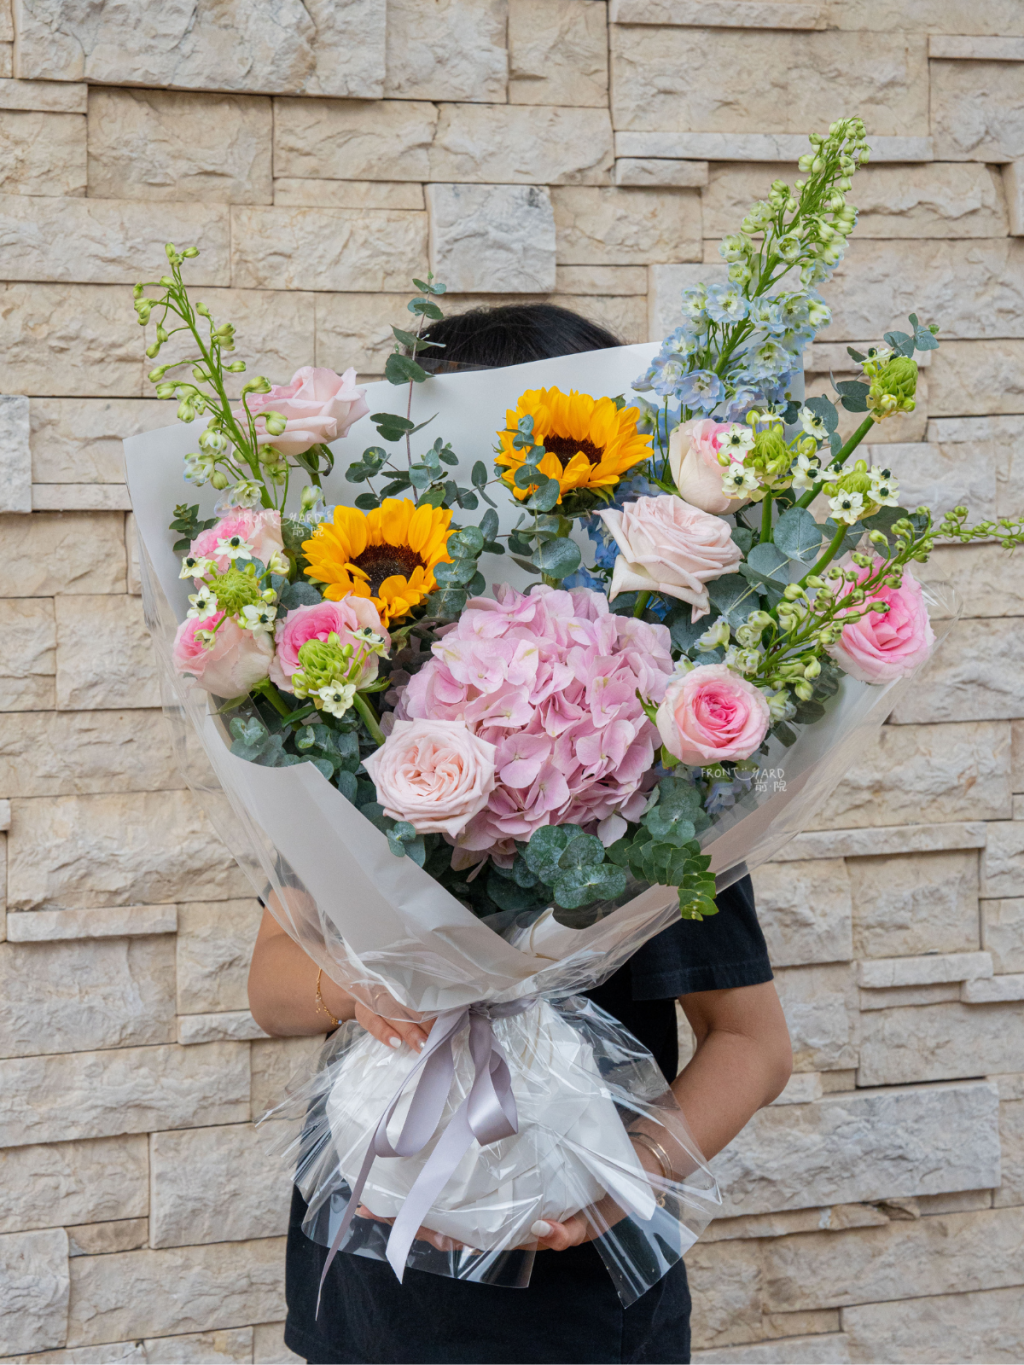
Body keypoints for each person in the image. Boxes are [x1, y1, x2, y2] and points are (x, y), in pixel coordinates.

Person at [247, 302, 793, 1365]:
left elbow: (752, 1042)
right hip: (363, 1295)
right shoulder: (371, 753)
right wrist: (354, 987)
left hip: (579, 1314)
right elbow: (272, 985)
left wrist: (627, 1176)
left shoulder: (653, 775)